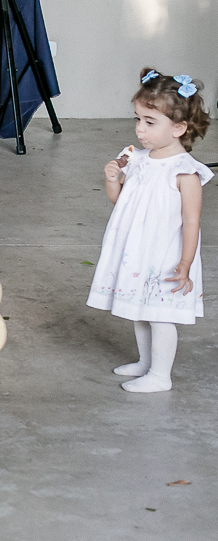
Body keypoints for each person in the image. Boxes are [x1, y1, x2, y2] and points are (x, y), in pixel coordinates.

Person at [87, 68, 212, 393]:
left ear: (179, 128)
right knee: (140, 312)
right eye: (138, 119)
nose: (139, 129)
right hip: (138, 251)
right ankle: (147, 363)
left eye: (150, 122)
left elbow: (192, 221)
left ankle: (161, 375)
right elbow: (121, 202)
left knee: (159, 315)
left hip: (165, 255)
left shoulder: (186, 173)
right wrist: (113, 179)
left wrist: (185, 264)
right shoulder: (139, 160)